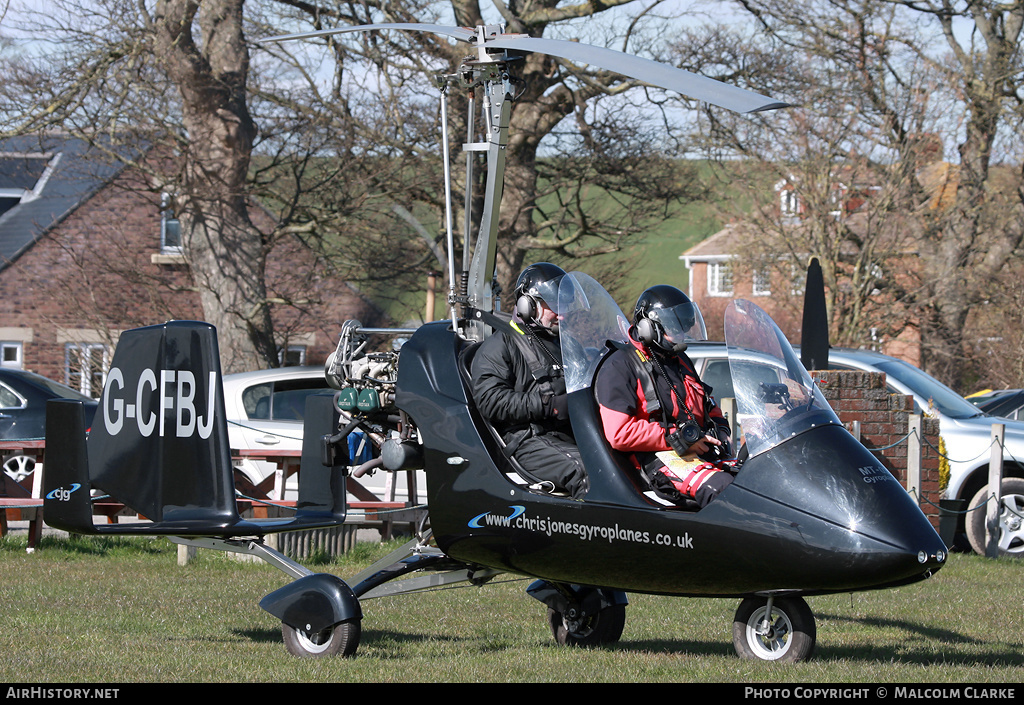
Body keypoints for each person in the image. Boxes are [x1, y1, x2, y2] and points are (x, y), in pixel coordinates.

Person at [594, 285, 733, 508]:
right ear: (648, 327)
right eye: (673, 328)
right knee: (724, 490)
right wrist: (680, 438)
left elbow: (708, 404)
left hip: (696, 450)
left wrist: (722, 432)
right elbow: (619, 433)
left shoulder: (679, 359)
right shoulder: (619, 365)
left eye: (683, 328)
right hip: (656, 458)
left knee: (753, 483)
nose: (681, 335)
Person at [470, 263, 588, 498]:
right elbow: (490, 400)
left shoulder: (569, 345)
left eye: (563, 305)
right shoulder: (501, 345)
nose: (561, 313)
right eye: (554, 305)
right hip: (529, 440)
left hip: (572, 434)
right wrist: (550, 406)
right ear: (528, 304)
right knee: (589, 473)